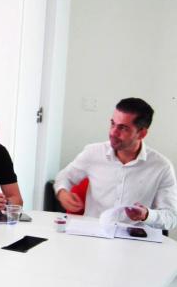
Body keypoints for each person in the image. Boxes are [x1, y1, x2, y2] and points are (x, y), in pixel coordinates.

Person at [54, 97, 177, 229]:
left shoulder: (162, 167)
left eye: (123, 128)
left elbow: (171, 218)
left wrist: (147, 215)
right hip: (93, 233)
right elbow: (64, 176)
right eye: (113, 123)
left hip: (135, 237)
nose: (113, 132)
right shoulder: (93, 152)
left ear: (142, 133)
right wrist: (62, 192)